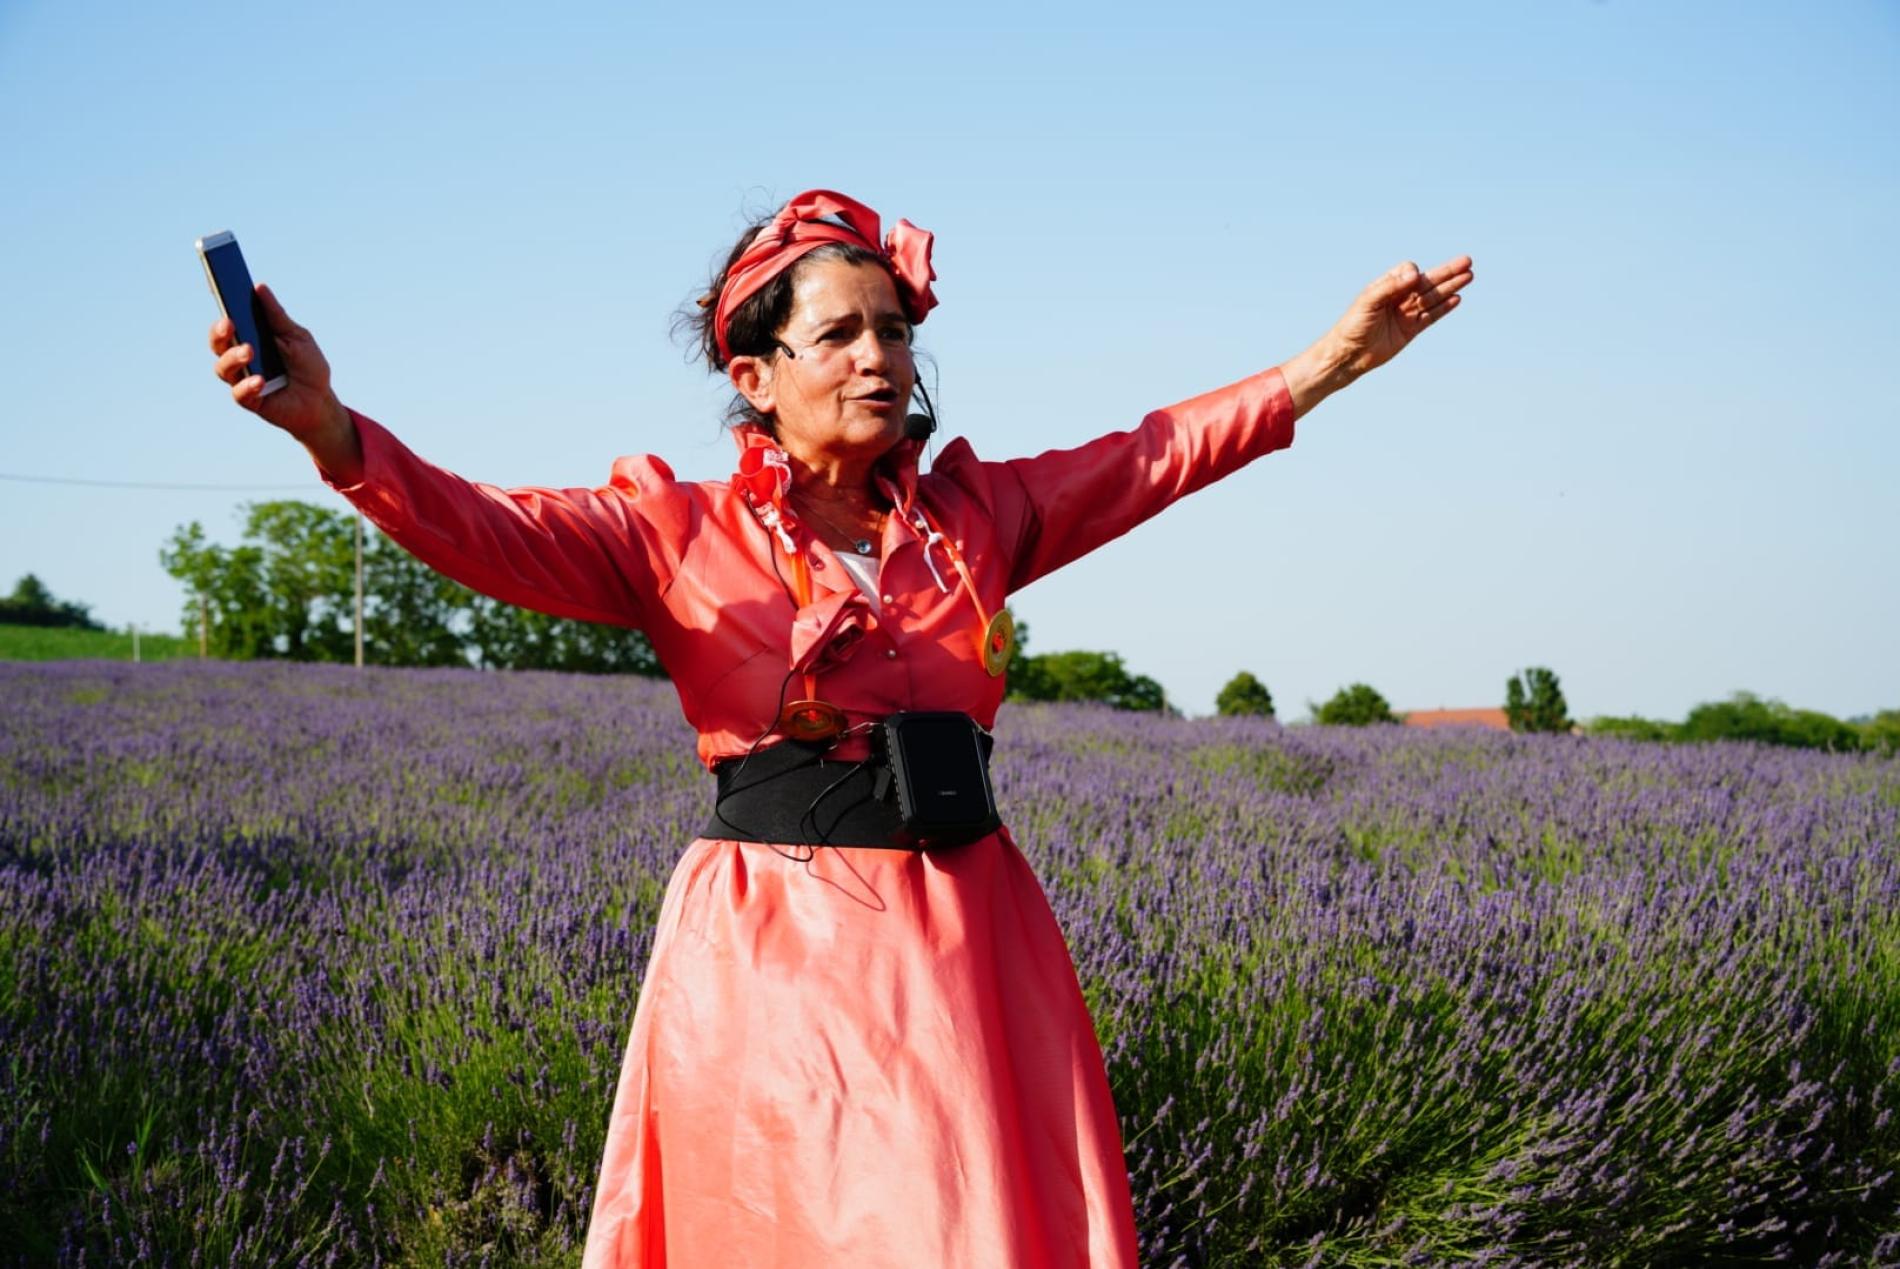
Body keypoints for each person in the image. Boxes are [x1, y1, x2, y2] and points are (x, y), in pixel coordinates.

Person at [207, 188, 1472, 1267]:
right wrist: (329, 428)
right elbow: (479, 525)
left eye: (895, 330)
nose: (879, 358)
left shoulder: (978, 517)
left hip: (971, 936)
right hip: (774, 950)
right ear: (754, 377)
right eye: (841, 336)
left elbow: (1155, 455)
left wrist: (1333, 359)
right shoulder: (670, 531)